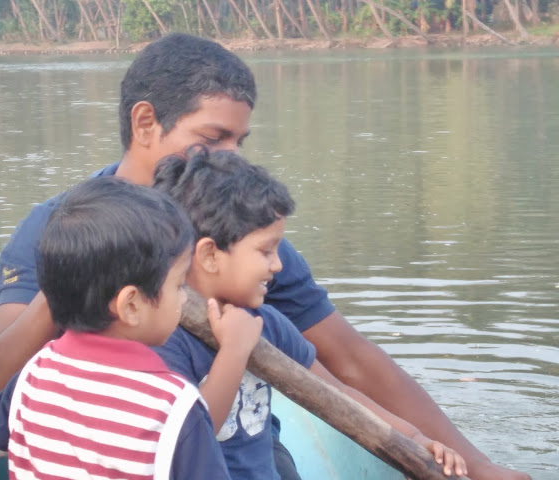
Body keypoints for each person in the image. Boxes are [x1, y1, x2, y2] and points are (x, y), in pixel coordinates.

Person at [0, 33, 531, 480]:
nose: (230, 158)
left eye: (239, 142)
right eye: (214, 138)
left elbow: (345, 356)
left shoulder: (243, 239)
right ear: (145, 123)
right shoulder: (61, 230)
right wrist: (83, 269)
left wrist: (474, 464)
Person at [151, 146, 467, 479]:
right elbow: (188, 440)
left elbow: (337, 396)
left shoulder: (267, 324)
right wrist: (233, 351)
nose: (278, 264)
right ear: (210, 255)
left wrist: (416, 439)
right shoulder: (164, 337)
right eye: (265, 250)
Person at [0, 177, 234, 480]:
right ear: (131, 305)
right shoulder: (174, 407)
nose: (183, 298)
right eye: (179, 284)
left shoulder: (32, 376)